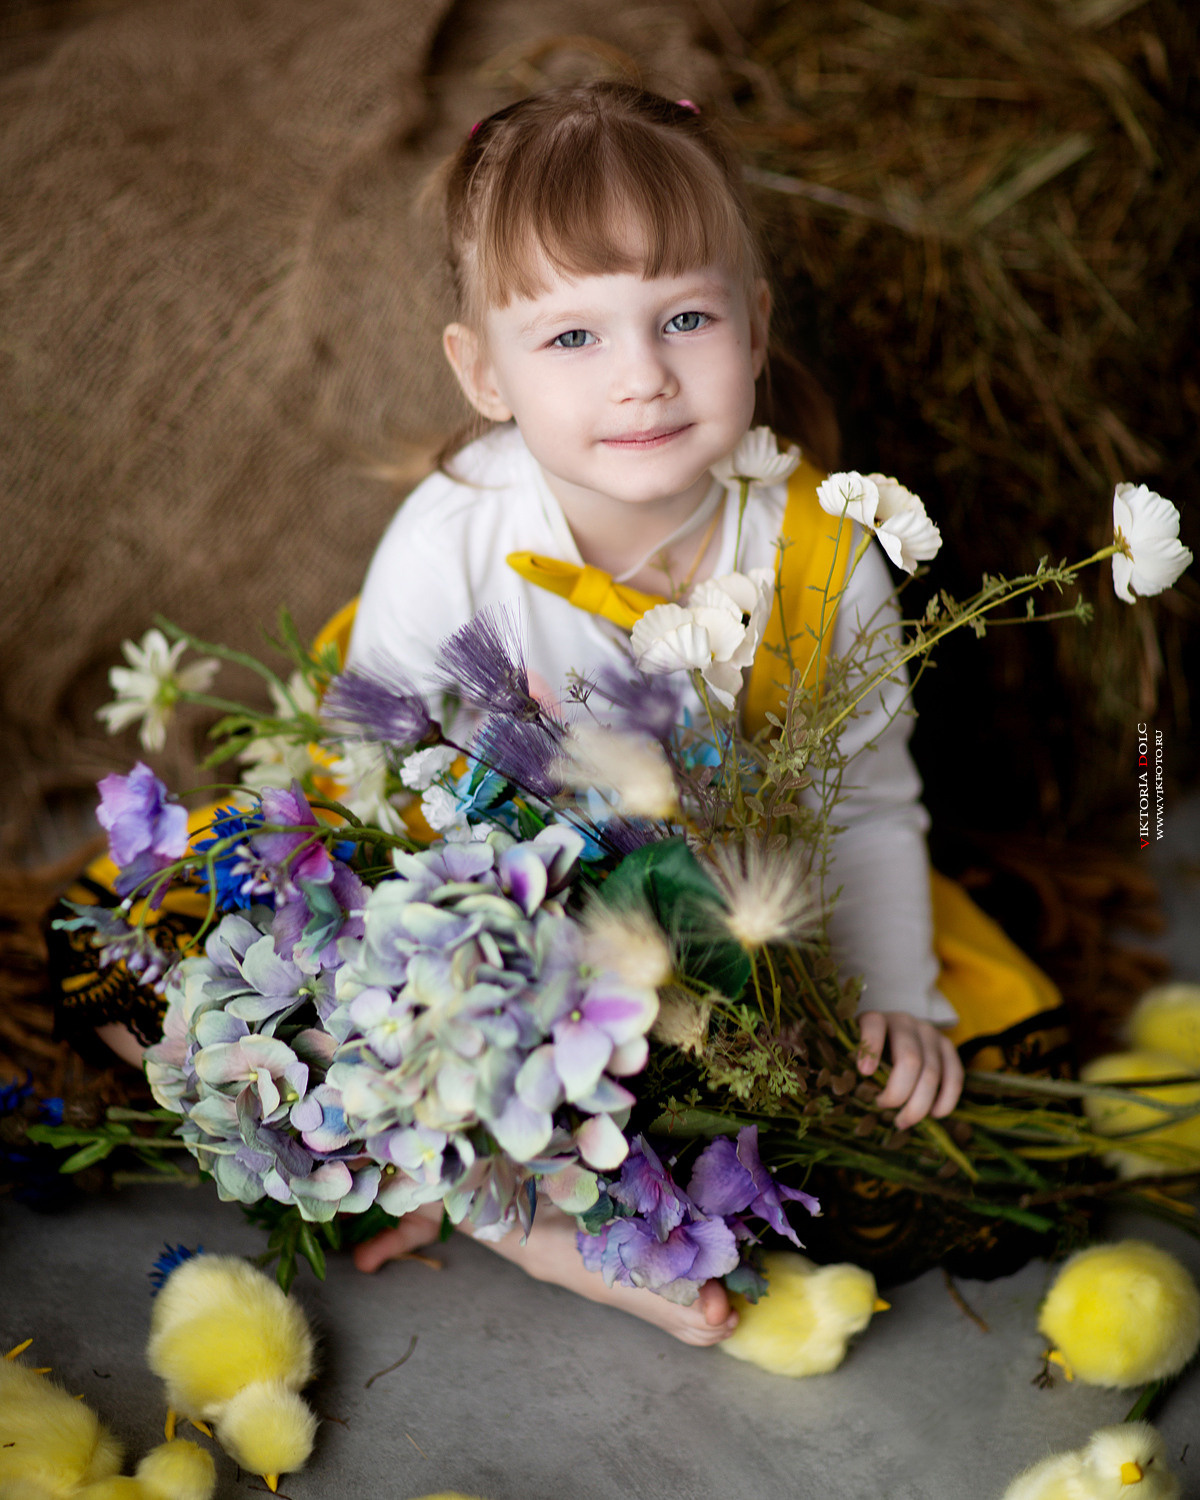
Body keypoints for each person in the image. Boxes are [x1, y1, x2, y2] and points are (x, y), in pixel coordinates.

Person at [345, 81, 965, 1344]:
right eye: (572, 338)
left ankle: (626, 1205)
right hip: (508, 907)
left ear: (754, 327)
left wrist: (900, 989)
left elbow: (875, 797)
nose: (641, 378)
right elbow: (368, 784)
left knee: (852, 1088)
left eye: (684, 317)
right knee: (366, 1033)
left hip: (735, 910)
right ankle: (534, 1230)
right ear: (485, 373)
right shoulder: (451, 549)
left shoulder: (820, 556)